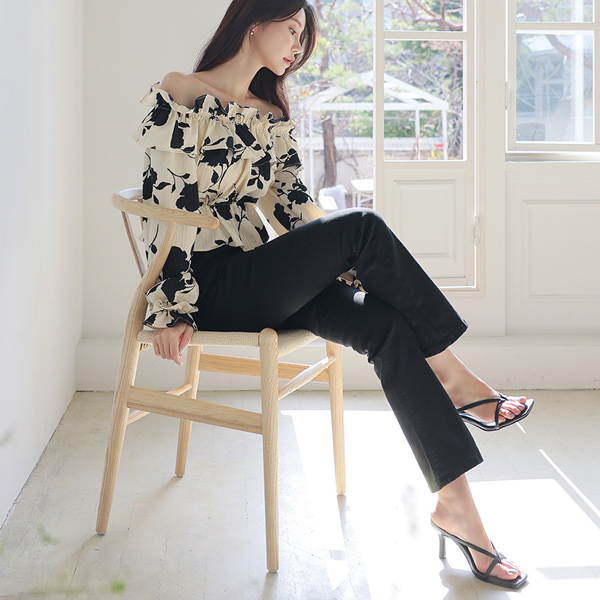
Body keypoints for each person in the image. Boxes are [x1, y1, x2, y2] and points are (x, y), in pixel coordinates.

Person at [133, 0, 533, 588]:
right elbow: (164, 202)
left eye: (304, 36)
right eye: (291, 30)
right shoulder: (182, 92)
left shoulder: (269, 116)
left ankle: (457, 508)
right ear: (255, 22)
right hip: (210, 286)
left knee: (386, 327)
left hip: (261, 278)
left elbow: (295, 210)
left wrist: (346, 268)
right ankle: (455, 378)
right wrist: (171, 309)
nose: (298, 46)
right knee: (362, 227)